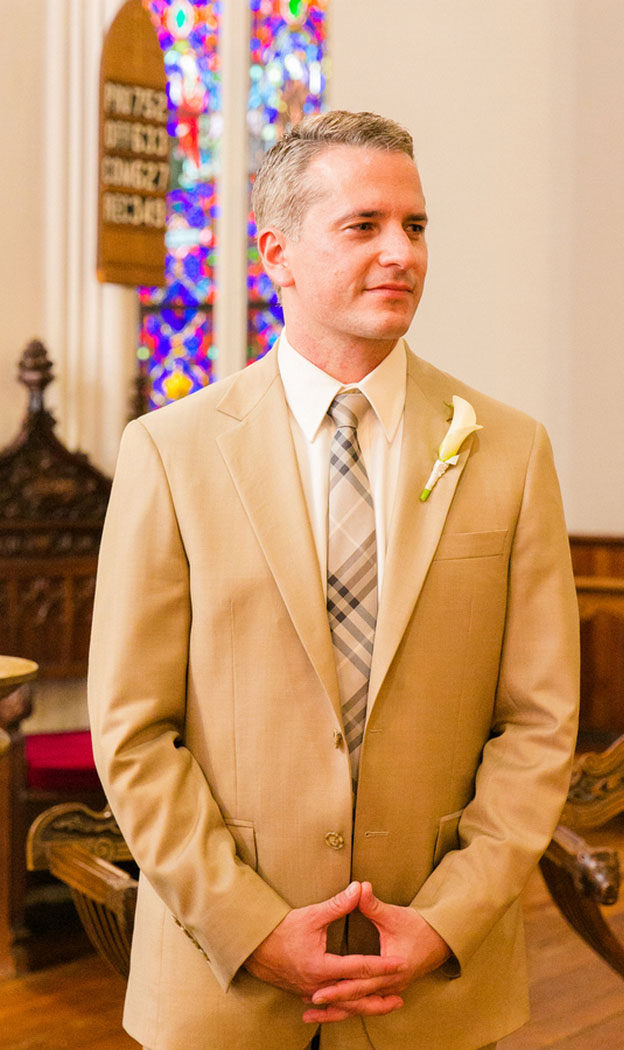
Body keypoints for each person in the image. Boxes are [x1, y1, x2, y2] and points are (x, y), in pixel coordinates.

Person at [88, 110, 579, 1050]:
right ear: (277, 253)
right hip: (220, 984)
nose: (402, 253)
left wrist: (449, 917)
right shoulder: (171, 453)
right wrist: (249, 926)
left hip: (436, 985)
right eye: (364, 226)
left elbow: (541, 720)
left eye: (417, 226)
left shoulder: (509, 451)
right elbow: (133, 729)